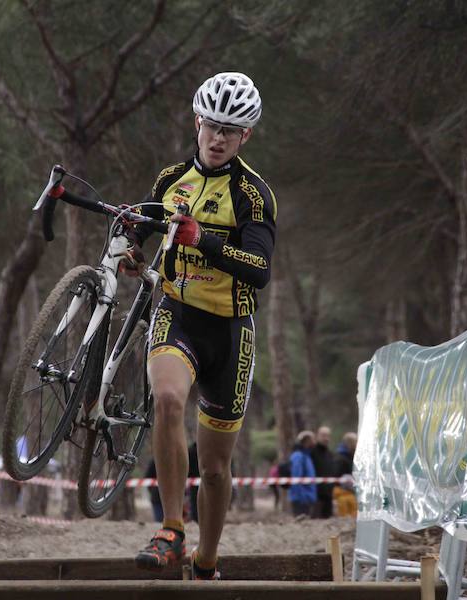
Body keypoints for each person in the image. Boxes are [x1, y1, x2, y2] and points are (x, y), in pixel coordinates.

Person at [128, 72, 276, 581]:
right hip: (179, 313)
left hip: (231, 332)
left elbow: (259, 268)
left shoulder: (254, 196)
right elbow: (145, 228)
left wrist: (204, 240)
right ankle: (171, 529)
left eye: (230, 132)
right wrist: (131, 249)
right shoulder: (170, 181)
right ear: (197, 122)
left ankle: (207, 560)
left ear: (245, 138)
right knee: (167, 400)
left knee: (214, 468)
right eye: (212, 126)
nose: (218, 139)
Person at [287, 431, 317, 517]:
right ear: (307, 441)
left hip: (307, 497)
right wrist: (302, 497)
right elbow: (296, 478)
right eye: (312, 439)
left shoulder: (307, 456)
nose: (314, 442)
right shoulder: (298, 456)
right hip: (301, 499)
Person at [310, 425, 336, 519]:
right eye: (323, 435)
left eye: (328, 435)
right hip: (315, 494)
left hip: (328, 493)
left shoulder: (330, 454)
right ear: (317, 436)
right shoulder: (311, 452)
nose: (326, 438)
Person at [333, 432, 357, 518]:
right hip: (342, 493)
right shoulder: (340, 458)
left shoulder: (352, 457)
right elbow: (336, 476)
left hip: (351, 493)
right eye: (355, 442)